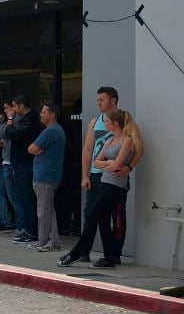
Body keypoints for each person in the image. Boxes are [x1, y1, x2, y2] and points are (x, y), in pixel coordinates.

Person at [59, 110, 135, 269]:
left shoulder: (126, 140)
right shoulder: (109, 140)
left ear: (115, 123)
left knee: (93, 216)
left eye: (107, 121)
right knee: (102, 220)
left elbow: (117, 165)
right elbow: (96, 162)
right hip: (104, 182)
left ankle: (75, 253)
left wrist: (108, 163)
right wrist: (109, 164)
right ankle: (108, 258)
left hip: (116, 186)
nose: (104, 123)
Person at [80, 86, 145, 264]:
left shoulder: (126, 122)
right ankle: (84, 251)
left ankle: (114, 253)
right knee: (91, 213)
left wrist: (129, 167)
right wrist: (85, 176)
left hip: (116, 178)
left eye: (102, 100)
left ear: (113, 100)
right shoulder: (95, 122)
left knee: (116, 215)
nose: (99, 103)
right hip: (96, 174)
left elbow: (139, 150)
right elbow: (87, 149)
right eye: (97, 100)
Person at [5, 95, 44, 245]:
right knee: (23, 198)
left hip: (25, 164)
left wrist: (9, 120)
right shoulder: (24, 119)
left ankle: (31, 232)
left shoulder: (29, 119)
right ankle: (28, 230)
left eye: (14, 106)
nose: (13, 110)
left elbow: (10, 134)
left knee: (27, 198)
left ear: (21, 105)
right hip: (21, 163)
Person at [28, 103, 66, 252]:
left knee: (43, 210)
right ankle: (51, 241)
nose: (41, 114)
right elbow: (35, 149)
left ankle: (45, 242)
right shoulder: (56, 130)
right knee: (48, 209)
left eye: (44, 112)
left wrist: (36, 150)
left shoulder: (50, 131)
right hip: (48, 175)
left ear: (52, 115)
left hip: (45, 175)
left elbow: (32, 148)